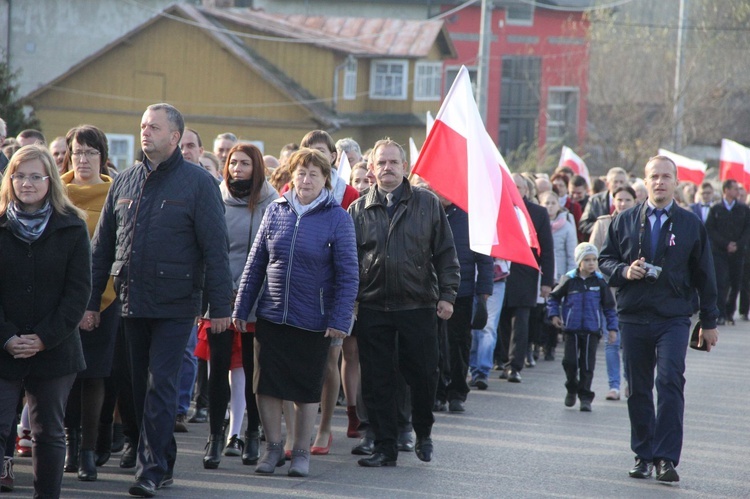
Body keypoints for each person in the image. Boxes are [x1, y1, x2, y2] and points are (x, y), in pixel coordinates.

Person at [89, 103, 233, 497]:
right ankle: (162, 462)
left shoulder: (199, 184)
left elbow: (215, 249)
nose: (145, 132)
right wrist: (89, 302)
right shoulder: (126, 181)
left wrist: (220, 308)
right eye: (142, 126)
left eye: (154, 127)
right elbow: (102, 248)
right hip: (131, 300)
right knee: (137, 388)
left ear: (175, 136)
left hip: (176, 302)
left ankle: (150, 470)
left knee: (161, 385)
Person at [232, 148, 358, 478]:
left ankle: (301, 452)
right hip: (271, 315)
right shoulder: (276, 211)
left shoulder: (338, 217)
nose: (305, 179)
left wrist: (340, 319)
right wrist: (242, 307)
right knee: (266, 386)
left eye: (313, 174)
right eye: (300, 173)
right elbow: (256, 262)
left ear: (325, 178)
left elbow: (348, 274)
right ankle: (274, 449)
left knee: (305, 391)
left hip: (312, 320)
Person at [599, 155, 719, 483]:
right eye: (654, 176)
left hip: (674, 316)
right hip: (634, 315)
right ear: (646, 180)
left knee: (669, 381)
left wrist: (709, 322)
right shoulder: (623, 221)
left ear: (676, 181)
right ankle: (643, 454)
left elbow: (706, 274)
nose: (660, 182)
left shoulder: (690, 224)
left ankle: (666, 458)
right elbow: (605, 260)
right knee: (638, 387)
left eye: (666, 177)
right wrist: (625, 270)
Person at [348, 139, 460, 467]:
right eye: (381, 163)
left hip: (418, 304)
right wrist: (350, 301)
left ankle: (422, 431)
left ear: (405, 166)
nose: (387, 168)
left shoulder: (427, 204)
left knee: (424, 374)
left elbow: (445, 253)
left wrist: (448, 295)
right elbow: (351, 260)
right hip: (373, 306)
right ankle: (385, 447)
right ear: (372, 168)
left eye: (393, 162)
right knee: (377, 380)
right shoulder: (358, 209)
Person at [0, 144, 91, 498]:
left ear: (50, 180)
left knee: (48, 432)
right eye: (19, 176)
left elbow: (78, 293)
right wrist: (7, 337)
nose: (27, 183)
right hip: (4, 345)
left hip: (55, 348)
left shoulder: (72, 228)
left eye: (35, 176)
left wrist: (42, 338)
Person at [201, 143, 278, 470]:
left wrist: (251, 291)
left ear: (256, 167)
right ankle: (216, 437)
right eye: (233, 163)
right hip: (219, 297)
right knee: (217, 370)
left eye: (245, 164)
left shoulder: (273, 203)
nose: (237, 169)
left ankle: (252, 432)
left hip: (258, 299)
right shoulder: (213, 200)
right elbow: (205, 251)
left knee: (253, 369)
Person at [60, 125, 120, 482]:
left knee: (94, 375)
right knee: (64, 375)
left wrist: (95, 303)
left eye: (90, 152)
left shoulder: (115, 193)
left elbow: (115, 250)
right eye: (77, 152)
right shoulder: (56, 192)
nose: (83, 159)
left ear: (103, 156)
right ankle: (69, 443)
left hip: (104, 298)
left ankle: (88, 451)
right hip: (62, 300)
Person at [434, 193, 493, 412]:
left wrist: (484, 294)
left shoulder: (472, 218)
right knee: (434, 345)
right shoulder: (426, 211)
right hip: (430, 292)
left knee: (458, 344)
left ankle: (457, 392)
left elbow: (485, 259)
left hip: (462, 292)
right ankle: (436, 393)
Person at [496, 174, 554, 383]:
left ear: (526, 190)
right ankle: (501, 360)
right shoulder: (497, 208)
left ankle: (514, 366)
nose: (515, 191)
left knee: (520, 322)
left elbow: (547, 249)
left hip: (525, 274)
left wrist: (547, 282)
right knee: (501, 320)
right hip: (500, 273)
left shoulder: (537, 213)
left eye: (518, 187)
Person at [548, 243, 618, 412]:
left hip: (591, 330)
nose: (591, 263)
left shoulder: (600, 282)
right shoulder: (569, 279)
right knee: (570, 363)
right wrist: (554, 315)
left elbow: (609, 307)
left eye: (594, 259)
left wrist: (612, 329)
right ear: (579, 261)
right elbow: (554, 297)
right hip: (571, 329)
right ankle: (571, 388)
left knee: (587, 366)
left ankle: (585, 397)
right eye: (587, 260)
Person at [589, 185, 636, 401]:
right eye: (619, 199)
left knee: (630, 341)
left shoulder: (639, 223)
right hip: (607, 289)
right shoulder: (603, 223)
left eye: (627, 199)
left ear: (635, 201)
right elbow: (593, 256)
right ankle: (614, 385)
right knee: (611, 338)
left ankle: (630, 381)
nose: (623, 203)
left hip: (632, 289)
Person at [705, 179, 750, 326]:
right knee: (721, 282)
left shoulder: (743, 209)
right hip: (720, 252)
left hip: (738, 253)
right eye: (734, 189)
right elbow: (710, 230)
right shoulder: (716, 209)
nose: (738, 191)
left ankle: (730, 313)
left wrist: (738, 244)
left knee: (736, 283)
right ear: (726, 190)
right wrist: (725, 244)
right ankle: (721, 313)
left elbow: (747, 230)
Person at [579, 167, 628, 238]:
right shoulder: (595, 200)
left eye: (621, 182)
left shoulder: (632, 200)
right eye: (615, 182)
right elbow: (583, 224)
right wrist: (601, 228)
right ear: (608, 184)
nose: (618, 185)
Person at [551, 172, 584, 241]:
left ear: (567, 188)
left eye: (561, 185)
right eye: (555, 185)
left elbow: (579, 227)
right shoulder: (547, 204)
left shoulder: (574, 206)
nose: (558, 188)